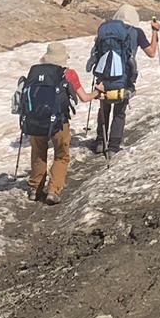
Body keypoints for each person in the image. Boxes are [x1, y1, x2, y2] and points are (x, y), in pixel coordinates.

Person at [26, 42, 96, 205]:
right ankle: (53, 190)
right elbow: (84, 98)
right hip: (59, 121)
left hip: (35, 121)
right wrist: (97, 92)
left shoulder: (35, 72)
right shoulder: (69, 73)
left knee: (38, 153)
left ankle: (35, 189)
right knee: (61, 155)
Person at [89, 4, 160, 154]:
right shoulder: (137, 32)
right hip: (124, 77)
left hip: (104, 76)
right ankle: (113, 146)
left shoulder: (105, 30)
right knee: (119, 111)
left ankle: (100, 141)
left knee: (104, 107)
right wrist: (155, 32)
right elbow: (152, 53)